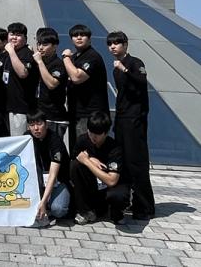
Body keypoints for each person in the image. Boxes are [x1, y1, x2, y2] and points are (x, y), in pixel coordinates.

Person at [107, 30, 155, 219]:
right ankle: (126, 201)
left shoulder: (135, 63)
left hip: (135, 119)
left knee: (137, 162)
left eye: (116, 43)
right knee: (123, 162)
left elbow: (142, 82)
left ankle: (145, 206)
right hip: (122, 118)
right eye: (110, 44)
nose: (113, 47)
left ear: (125, 45)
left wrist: (125, 70)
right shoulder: (115, 68)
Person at [70, 111, 130, 225]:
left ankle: (116, 212)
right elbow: (75, 156)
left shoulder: (114, 148)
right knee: (75, 165)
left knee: (118, 196)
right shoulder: (83, 140)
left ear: (106, 133)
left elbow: (112, 181)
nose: (93, 136)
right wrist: (92, 159)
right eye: (90, 132)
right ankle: (85, 211)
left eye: (97, 134)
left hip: (109, 188)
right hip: (93, 187)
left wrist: (87, 161)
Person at [62, 24, 109, 141]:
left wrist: (66, 58)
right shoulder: (75, 57)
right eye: (75, 35)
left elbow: (77, 77)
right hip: (75, 113)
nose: (79, 37)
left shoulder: (92, 56)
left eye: (82, 35)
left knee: (86, 148)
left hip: (90, 116)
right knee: (76, 148)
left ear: (89, 38)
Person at [26, 110, 71, 225]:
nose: (36, 128)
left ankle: (53, 205)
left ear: (46, 124)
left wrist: (43, 202)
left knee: (58, 209)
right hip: (38, 181)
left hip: (58, 181)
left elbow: (53, 175)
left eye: (39, 124)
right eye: (32, 125)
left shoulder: (55, 140)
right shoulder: (27, 138)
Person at [0, 22, 38, 136]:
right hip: (8, 107)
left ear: (25, 38)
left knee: (19, 140)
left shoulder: (25, 53)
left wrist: (11, 51)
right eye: (12, 34)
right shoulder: (8, 54)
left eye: (18, 35)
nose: (14, 38)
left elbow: (22, 73)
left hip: (21, 109)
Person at [33, 28, 69, 145]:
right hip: (40, 114)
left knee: (54, 149)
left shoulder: (58, 64)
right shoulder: (41, 62)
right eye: (39, 44)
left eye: (45, 44)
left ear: (55, 46)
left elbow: (52, 84)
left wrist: (40, 62)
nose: (40, 48)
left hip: (54, 117)